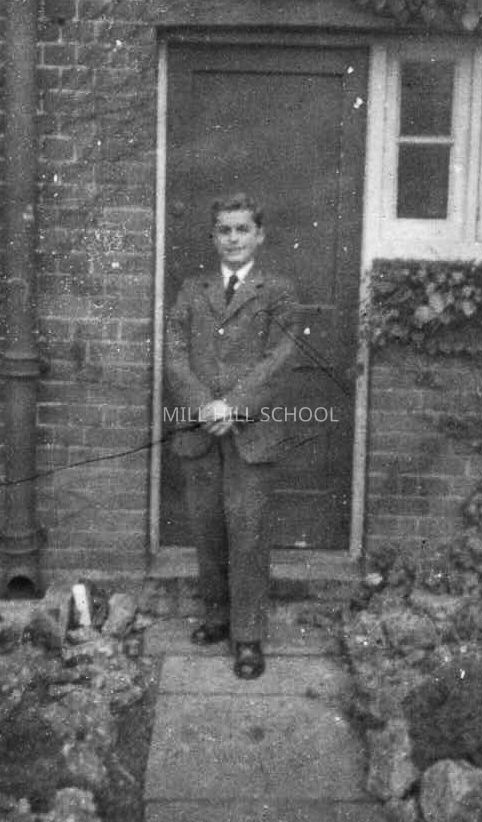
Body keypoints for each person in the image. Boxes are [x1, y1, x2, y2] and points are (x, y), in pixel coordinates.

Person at [165, 192, 298, 679]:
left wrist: (234, 406)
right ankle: (217, 617)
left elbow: (280, 359)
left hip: (251, 433)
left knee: (248, 532)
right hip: (199, 430)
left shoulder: (277, 291)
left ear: (259, 236)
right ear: (213, 236)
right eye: (225, 230)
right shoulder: (192, 290)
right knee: (206, 528)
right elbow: (174, 353)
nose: (233, 238)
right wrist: (206, 405)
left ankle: (248, 636)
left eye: (243, 229)